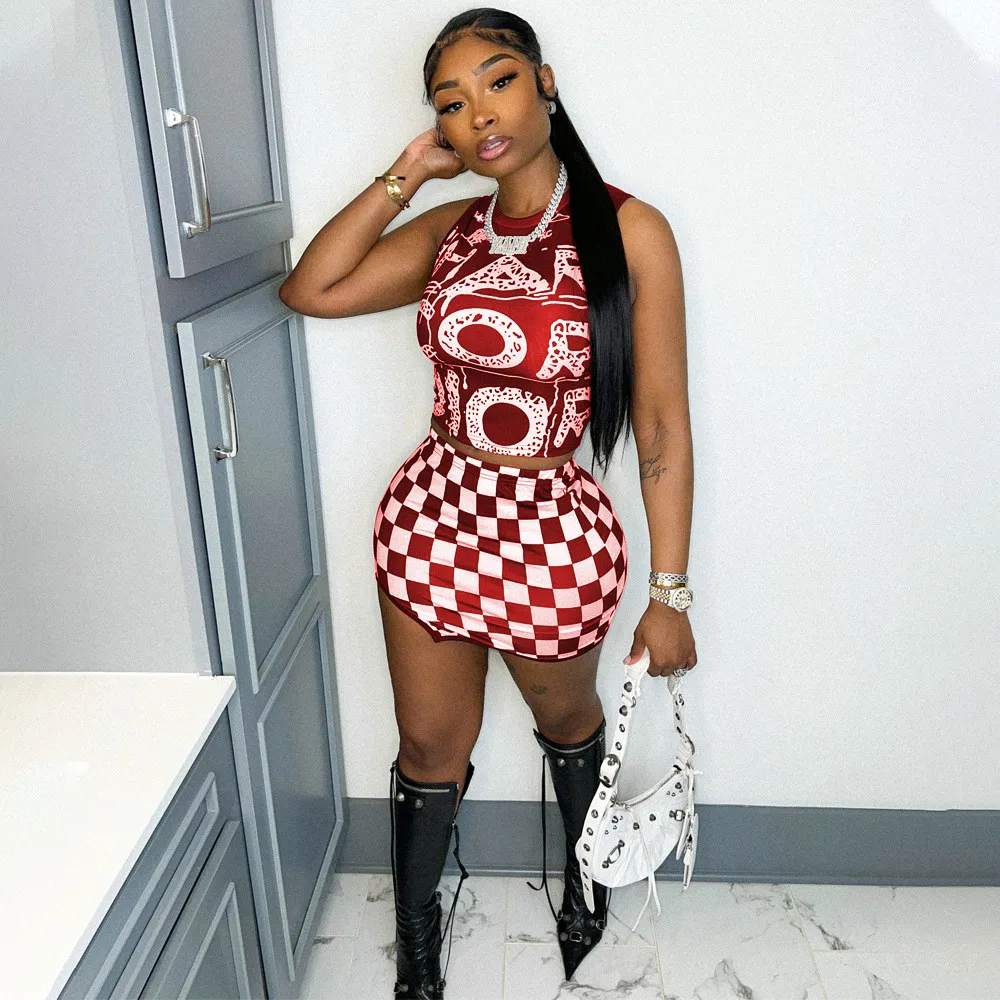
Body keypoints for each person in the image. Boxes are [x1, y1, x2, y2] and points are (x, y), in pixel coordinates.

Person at [279, 8, 696, 997]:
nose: (478, 114)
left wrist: (670, 592)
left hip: (553, 534)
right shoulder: (452, 229)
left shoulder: (630, 230)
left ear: (545, 83)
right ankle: (417, 933)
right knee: (429, 745)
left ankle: (585, 878)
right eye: (450, 103)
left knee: (567, 721)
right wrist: (405, 175)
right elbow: (313, 290)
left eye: (498, 81)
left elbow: (660, 425)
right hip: (432, 518)